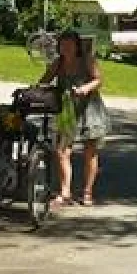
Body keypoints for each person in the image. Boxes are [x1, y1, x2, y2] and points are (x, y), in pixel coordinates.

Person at [38, 30, 110, 207]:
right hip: (68, 111)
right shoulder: (58, 63)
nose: (66, 48)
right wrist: (37, 90)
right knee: (61, 151)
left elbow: (99, 80)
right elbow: (45, 81)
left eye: (70, 45)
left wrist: (86, 88)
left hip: (89, 110)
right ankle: (65, 192)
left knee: (90, 152)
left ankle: (87, 192)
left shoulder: (87, 60)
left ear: (77, 45)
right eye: (63, 45)